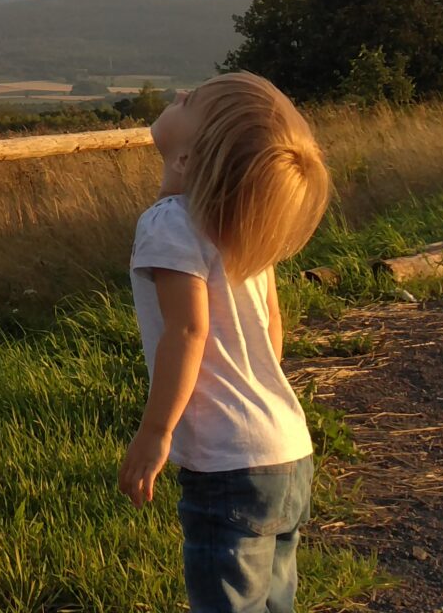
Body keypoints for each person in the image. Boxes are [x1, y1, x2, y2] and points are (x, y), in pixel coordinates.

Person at [117, 72, 334, 613]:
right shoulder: (242, 228)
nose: (179, 94)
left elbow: (188, 332)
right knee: (274, 603)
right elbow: (273, 329)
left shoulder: (170, 224)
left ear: (189, 159)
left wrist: (155, 432)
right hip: (288, 448)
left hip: (227, 463)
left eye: (190, 101)